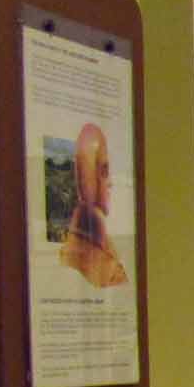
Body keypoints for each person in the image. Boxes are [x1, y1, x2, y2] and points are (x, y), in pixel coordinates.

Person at [60, 123, 127, 288]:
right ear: (89, 176)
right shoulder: (91, 258)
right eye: (104, 172)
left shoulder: (101, 243)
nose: (110, 183)